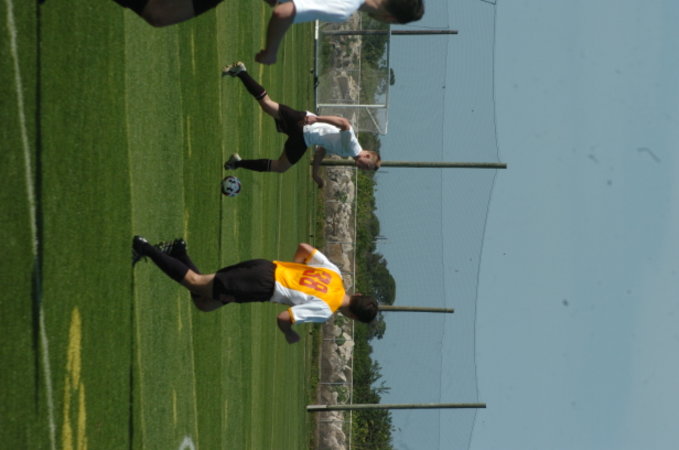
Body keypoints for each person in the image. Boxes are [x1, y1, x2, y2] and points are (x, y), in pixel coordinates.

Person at [132, 236, 378, 343]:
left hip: (265, 267)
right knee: (197, 283)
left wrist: (294, 269)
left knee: (205, 303)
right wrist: (289, 333)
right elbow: (283, 318)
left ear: (357, 294)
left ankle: (178, 253)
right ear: (352, 317)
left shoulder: (335, 275)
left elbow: (304, 247)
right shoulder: (326, 309)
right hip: (261, 286)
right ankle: (145, 248)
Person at [222, 61, 380, 188]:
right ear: (367, 156)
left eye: (366, 169)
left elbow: (321, 151)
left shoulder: (349, 152)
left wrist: (315, 174)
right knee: (280, 166)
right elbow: (344, 123)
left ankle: (241, 72)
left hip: (304, 125)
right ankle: (237, 163)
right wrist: (317, 120)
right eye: (367, 166)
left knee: (266, 104)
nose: (363, 168)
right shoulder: (353, 147)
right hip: (304, 133)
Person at [111, 0, 424, 63]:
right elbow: (284, 11)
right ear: (390, 18)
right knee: (159, 13)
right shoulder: (345, 7)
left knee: (159, 11)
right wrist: (271, 51)